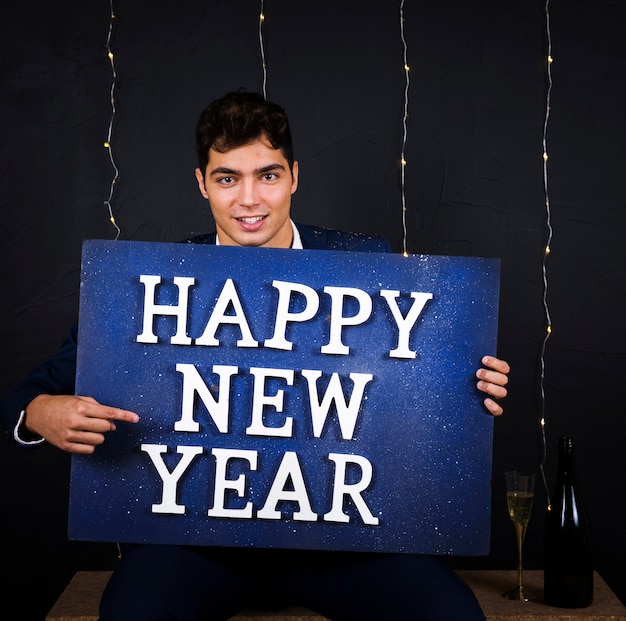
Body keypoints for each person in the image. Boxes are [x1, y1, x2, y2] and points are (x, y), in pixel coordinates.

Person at [1, 91, 510, 620]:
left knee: (451, 615)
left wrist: (473, 387)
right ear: (202, 183)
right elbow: (27, 394)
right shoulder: (152, 281)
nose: (250, 199)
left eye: (267, 176)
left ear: (293, 176)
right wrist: (41, 413)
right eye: (227, 178)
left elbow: (427, 389)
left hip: (347, 544)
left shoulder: (368, 266)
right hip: (196, 546)